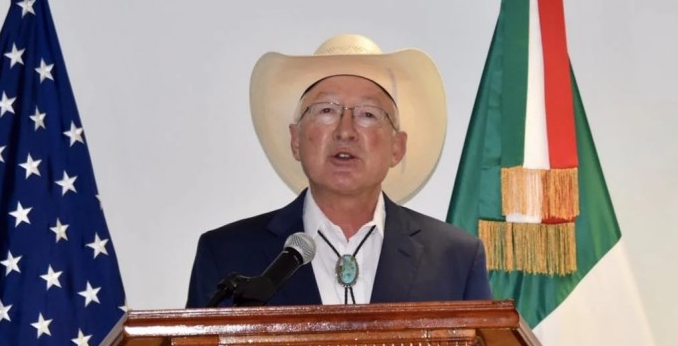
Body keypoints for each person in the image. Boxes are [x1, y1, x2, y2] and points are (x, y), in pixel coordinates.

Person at [186, 34, 492, 308]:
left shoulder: (456, 259)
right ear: (296, 140)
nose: (345, 131)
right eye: (326, 111)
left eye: (368, 114)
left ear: (397, 148)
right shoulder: (226, 254)